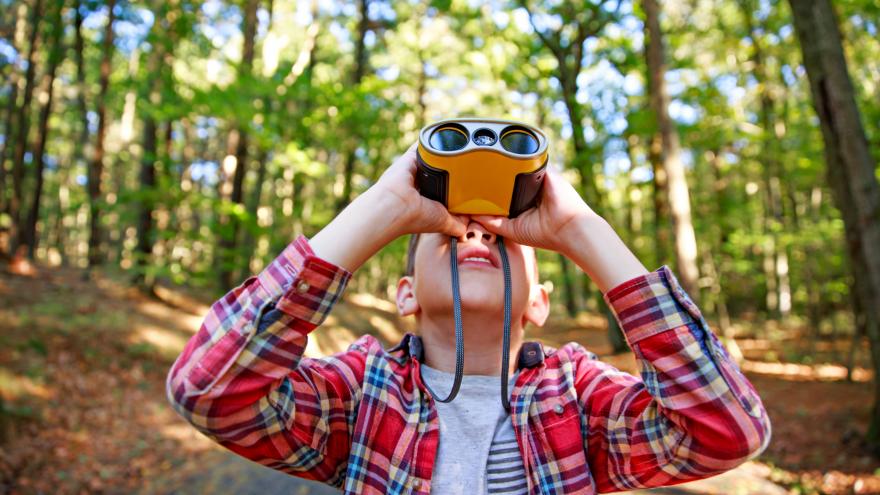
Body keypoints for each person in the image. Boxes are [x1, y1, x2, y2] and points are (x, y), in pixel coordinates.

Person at [166, 142, 771, 494]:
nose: (476, 232)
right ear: (405, 295)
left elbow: (726, 432)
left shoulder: (578, 396)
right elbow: (209, 391)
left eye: (501, 237)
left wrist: (584, 232)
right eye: (450, 232)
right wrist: (381, 206)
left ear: (539, 303)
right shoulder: (361, 391)